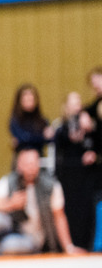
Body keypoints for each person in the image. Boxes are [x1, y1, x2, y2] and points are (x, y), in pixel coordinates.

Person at [0, 147, 84, 257]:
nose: (31, 168)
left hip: (34, 238)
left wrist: (68, 247)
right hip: (13, 229)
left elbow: (59, 217)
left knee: (11, 245)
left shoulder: (51, 186)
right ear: (19, 166)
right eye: (27, 164)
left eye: (34, 164)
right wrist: (10, 204)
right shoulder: (9, 181)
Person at [51, 92, 97, 250]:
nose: (77, 106)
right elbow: (59, 157)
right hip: (69, 179)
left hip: (86, 178)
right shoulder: (61, 129)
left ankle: (87, 246)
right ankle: (70, 245)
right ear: (66, 106)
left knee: (87, 213)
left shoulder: (90, 126)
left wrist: (92, 130)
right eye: (73, 102)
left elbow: (96, 146)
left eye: (78, 102)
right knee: (70, 211)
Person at [8, 84, 52, 155]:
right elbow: (24, 138)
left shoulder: (42, 120)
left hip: (38, 157)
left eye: (31, 95)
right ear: (20, 100)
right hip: (22, 156)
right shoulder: (15, 120)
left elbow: (50, 140)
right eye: (26, 95)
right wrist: (42, 136)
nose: (29, 98)